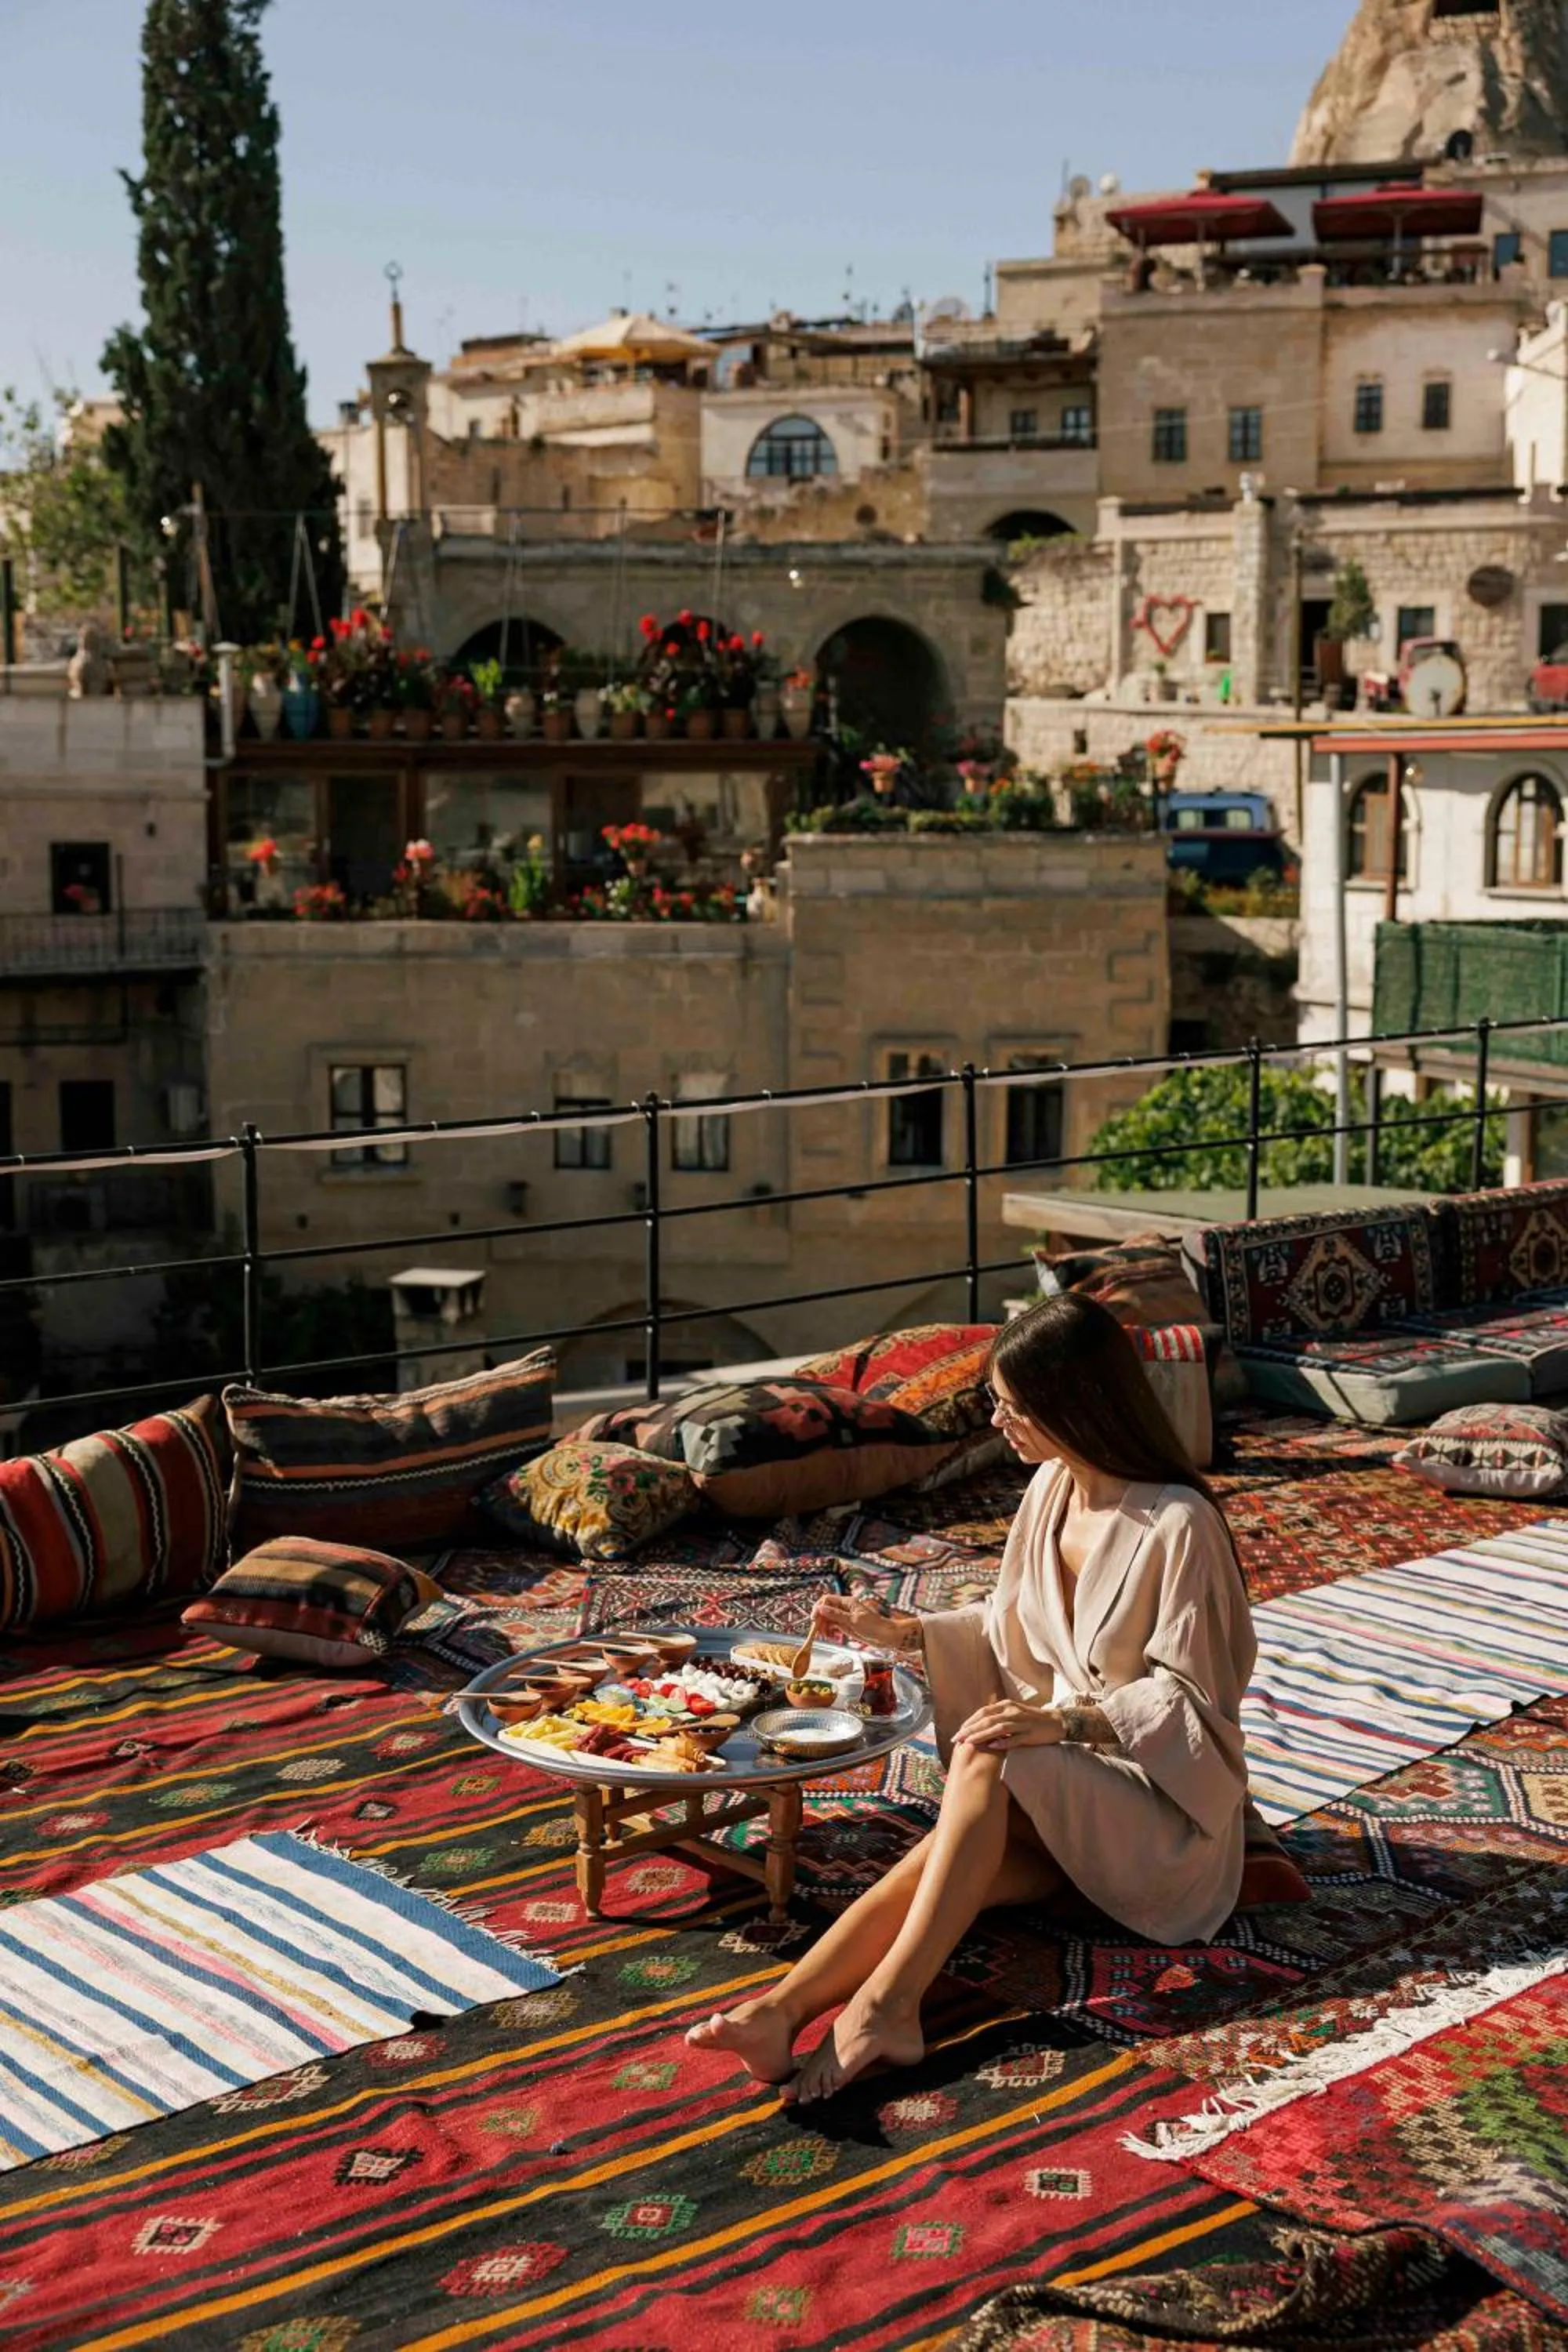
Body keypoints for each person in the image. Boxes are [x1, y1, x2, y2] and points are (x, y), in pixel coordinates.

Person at [688, 1293, 1257, 2104]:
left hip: (1161, 1814)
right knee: (950, 1865)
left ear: (1075, 1403)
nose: (997, 1422)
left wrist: (1058, 1722)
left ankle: (889, 2006)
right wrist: (904, 1633)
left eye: (1013, 1407)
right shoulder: (1050, 1489)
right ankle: (779, 2011)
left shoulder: (1179, 1524)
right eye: (995, 1401)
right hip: (1068, 1794)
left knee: (990, 1750)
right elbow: (1010, 1621)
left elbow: (1193, 1702)